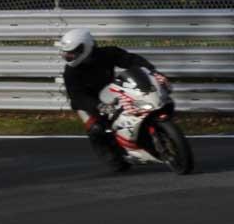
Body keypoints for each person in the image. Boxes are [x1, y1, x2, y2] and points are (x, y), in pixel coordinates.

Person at [54, 28, 169, 170]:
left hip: (111, 91)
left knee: (140, 104)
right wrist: (98, 106)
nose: (69, 56)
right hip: (89, 102)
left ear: (87, 46)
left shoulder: (108, 53)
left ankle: (144, 134)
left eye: (73, 52)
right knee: (96, 128)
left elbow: (131, 60)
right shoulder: (70, 72)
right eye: (67, 53)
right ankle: (111, 156)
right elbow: (77, 97)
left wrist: (151, 70)